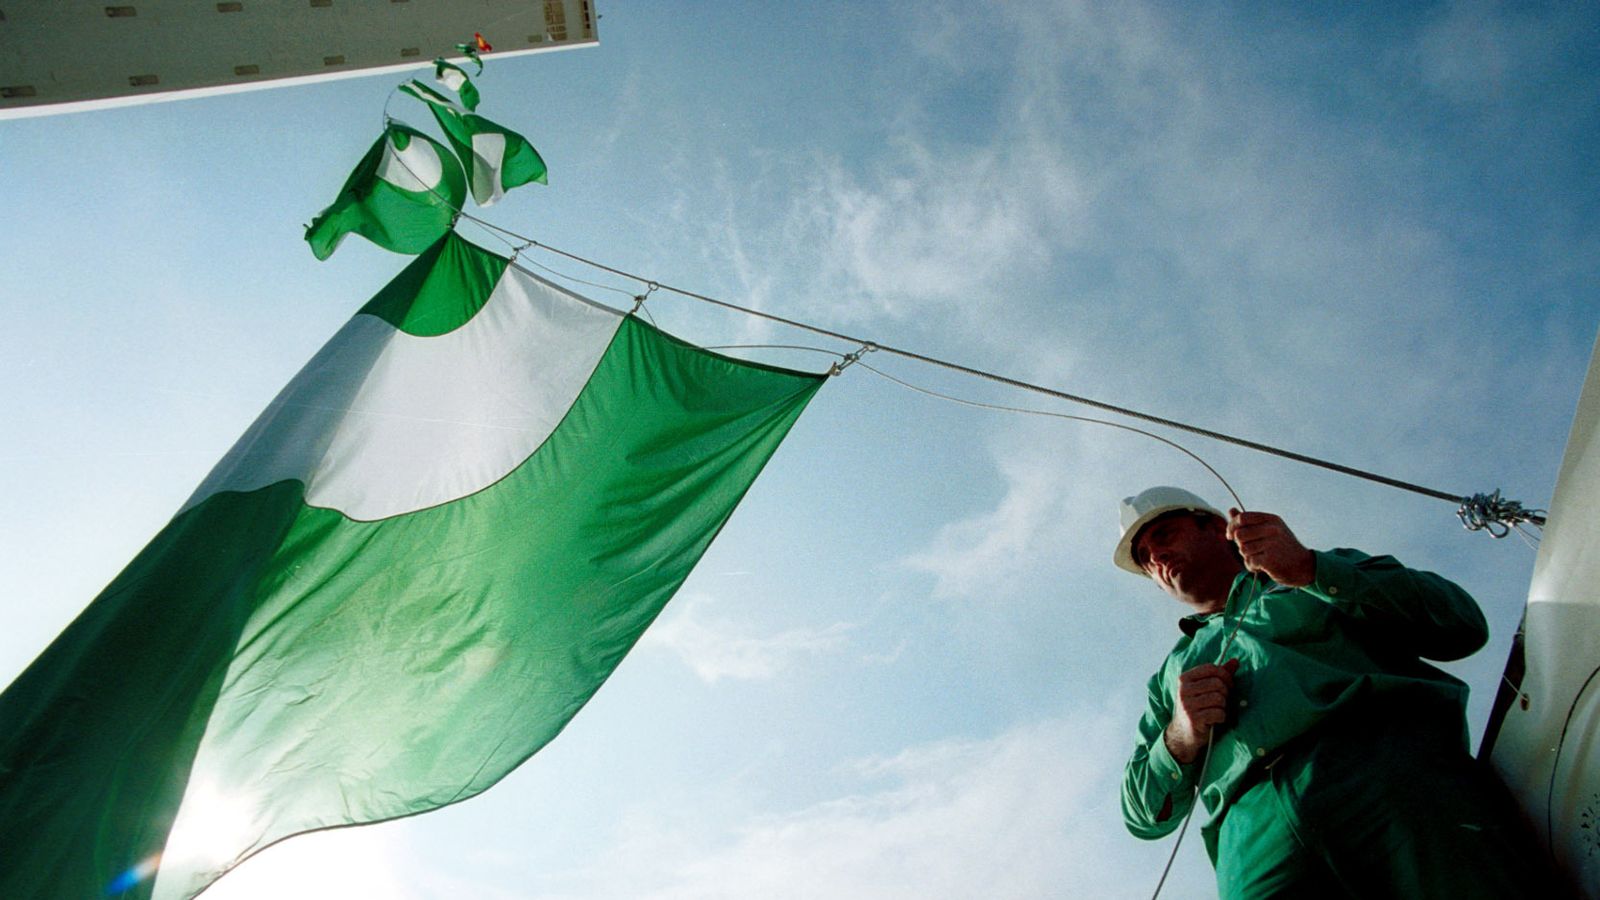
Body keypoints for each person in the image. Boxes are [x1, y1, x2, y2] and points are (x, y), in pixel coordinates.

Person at [1115, 486, 1560, 899]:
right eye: (1145, 559)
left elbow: (1461, 624)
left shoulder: (1312, 574)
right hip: (1251, 840)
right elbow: (1141, 817)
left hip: (1390, 777)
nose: (1157, 557)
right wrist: (1180, 736)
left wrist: (1310, 569)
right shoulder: (1169, 678)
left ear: (1216, 527)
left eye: (1164, 535)